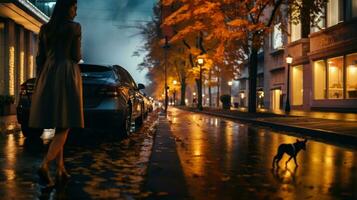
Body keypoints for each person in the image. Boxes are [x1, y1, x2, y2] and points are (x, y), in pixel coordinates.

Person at [28, 0, 84, 186]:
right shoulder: (74, 28)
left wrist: (40, 79)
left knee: (59, 122)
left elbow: (40, 58)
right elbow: (75, 56)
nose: (75, 12)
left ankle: (61, 170)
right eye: (74, 8)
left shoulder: (45, 28)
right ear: (67, 8)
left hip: (48, 74)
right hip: (67, 74)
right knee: (65, 124)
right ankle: (45, 165)